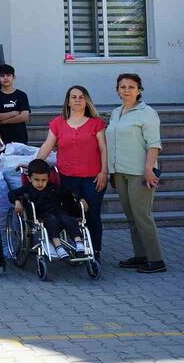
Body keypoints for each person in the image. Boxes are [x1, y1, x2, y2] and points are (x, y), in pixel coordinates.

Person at [37, 85, 107, 261]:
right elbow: (47, 145)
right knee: (70, 215)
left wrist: (104, 172)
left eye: (81, 97)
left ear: (86, 100)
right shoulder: (58, 123)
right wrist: (36, 164)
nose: (77, 100)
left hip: (93, 178)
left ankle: (95, 251)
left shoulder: (96, 123)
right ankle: (78, 246)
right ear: (68, 101)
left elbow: (104, 149)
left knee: (92, 215)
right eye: (73, 97)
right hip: (67, 179)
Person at [106, 73, 166, 273]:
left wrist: (149, 170)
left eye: (131, 87)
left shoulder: (147, 113)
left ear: (139, 90)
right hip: (119, 172)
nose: (126, 90)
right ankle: (141, 256)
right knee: (131, 216)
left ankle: (156, 260)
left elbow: (154, 144)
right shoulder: (116, 112)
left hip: (140, 172)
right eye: (122, 87)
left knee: (142, 216)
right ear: (117, 90)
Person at [9, 159, 88, 259]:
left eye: (43, 180)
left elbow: (68, 192)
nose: (40, 183)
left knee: (70, 219)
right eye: (36, 180)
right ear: (29, 178)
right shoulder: (27, 188)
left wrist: (80, 198)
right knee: (52, 221)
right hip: (41, 215)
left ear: (48, 178)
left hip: (57, 211)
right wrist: (17, 201)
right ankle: (58, 246)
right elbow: (12, 193)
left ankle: (78, 242)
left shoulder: (52, 187)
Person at [0, 64, 31, 145]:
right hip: (2, 139)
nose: (5, 78)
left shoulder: (22, 95)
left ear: (14, 77)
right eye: (2, 76)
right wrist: (12, 113)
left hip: (20, 138)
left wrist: (3, 121)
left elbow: (24, 116)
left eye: (8, 75)